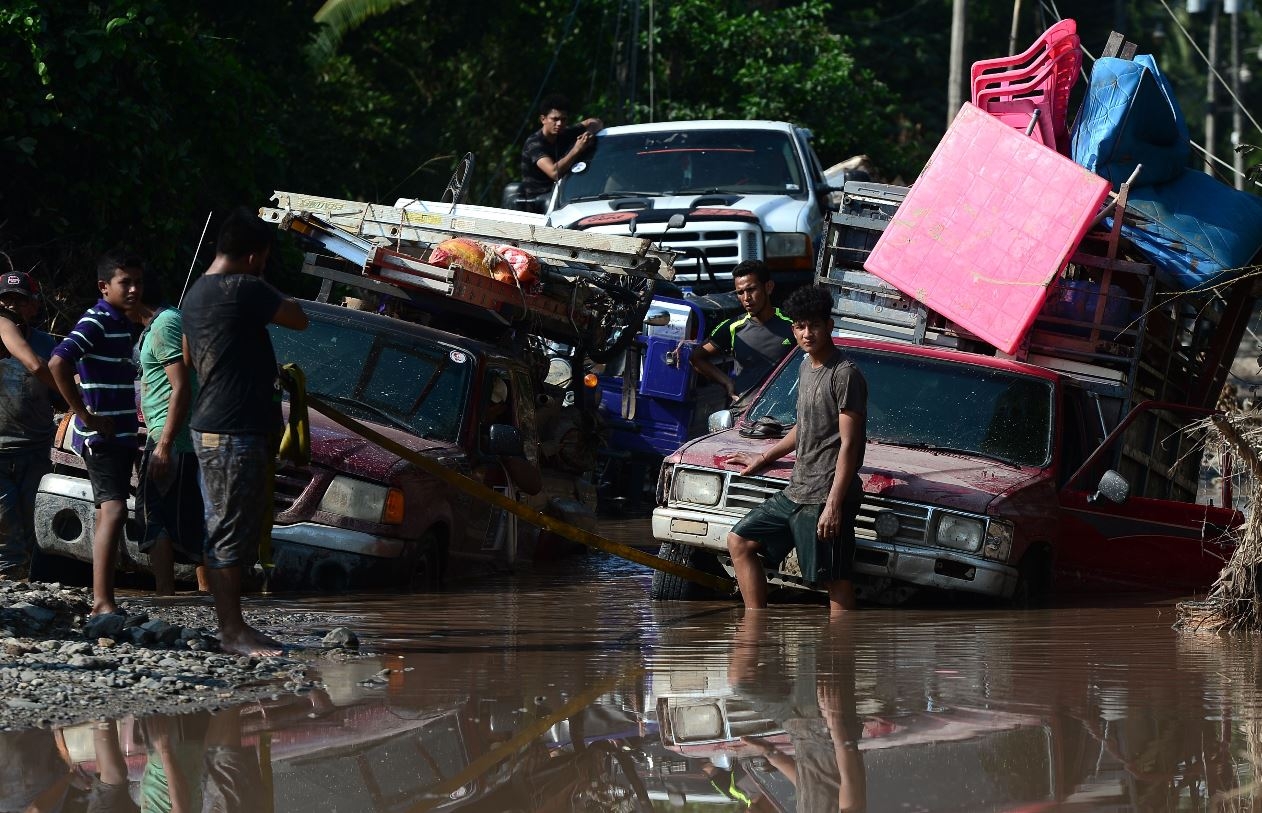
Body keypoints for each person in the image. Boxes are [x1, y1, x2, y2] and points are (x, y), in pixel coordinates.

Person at [182, 207, 308, 657]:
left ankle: (234, 627)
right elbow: (298, 318)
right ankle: (232, 632)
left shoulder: (196, 293)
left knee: (227, 525)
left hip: (215, 424)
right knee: (230, 530)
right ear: (257, 256)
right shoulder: (247, 288)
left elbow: (189, 354)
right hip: (233, 429)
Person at [723, 285, 866, 616]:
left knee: (835, 580)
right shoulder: (805, 366)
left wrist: (833, 505)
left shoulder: (845, 375)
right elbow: (805, 426)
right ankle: (754, 630)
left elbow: (850, 443)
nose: (807, 333)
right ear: (793, 329)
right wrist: (763, 457)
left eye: (814, 325)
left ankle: (839, 660)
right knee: (739, 541)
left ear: (829, 326)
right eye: (800, 326)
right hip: (797, 490)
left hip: (826, 495)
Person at [50, 253, 144, 616]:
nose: (134, 289)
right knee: (116, 509)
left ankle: (103, 598)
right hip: (102, 438)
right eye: (125, 282)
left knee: (109, 511)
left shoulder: (121, 323)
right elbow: (59, 361)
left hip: (120, 437)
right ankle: (102, 600)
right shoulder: (98, 320)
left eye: (138, 281)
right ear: (104, 287)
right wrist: (83, 413)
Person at [133, 269, 208, 596]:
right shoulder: (160, 325)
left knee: (155, 518)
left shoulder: (165, 324)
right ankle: (211, 601)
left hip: (171, 439)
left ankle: (165, 597)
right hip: (178, 439)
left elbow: (181, 388)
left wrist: (163, 446)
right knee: (192, 523)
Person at [0, 271, 58, 580]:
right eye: (6, 300)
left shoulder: (45, 344)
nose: (12, 306)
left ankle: (33, 588)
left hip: (35, 449)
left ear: (33, 306)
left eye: (19, 301)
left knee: (35, 525)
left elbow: (59, 390)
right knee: (4, 533)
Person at [690, 261, 795, 405]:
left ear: (769, 287)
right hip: (742, 413)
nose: (746, 298)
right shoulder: (732, 327)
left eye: (751, 289)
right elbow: (697, 358)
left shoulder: (794, 325)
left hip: (783, 412)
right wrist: (726, 382)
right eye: (740, 292)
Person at [519, 93, 604, 202]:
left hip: (565, 195)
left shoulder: (565, 133)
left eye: (563, 119)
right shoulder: (534, 143)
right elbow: (554, 173)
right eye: (555, 119)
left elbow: (595, 122)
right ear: (543, 119)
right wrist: (576, 149)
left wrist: (588, 133)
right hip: (539, 202)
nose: (559, 123)